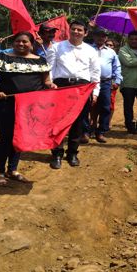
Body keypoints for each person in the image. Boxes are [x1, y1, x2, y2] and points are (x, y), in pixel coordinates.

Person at [0, 31, 56, 186]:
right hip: (6, 104)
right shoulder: (2, 58)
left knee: (20, 136)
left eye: (25, 42)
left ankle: (13, 169)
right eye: (18, 41)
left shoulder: (40, 61)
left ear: (31, 44)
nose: (21, 44)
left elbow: (47, 81)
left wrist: (52, 85)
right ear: (13, 42)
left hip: (30, 107)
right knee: (6, 137)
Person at [46, 20, 100, 169]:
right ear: (69, 30)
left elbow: (95, 73)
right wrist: (50, 84)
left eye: (80, 30)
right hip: (61, 87)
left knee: (78, 123)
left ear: (85, 33)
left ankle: (72, 153)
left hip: (83, 89)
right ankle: (56, 154)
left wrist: (95, 92)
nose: (76, 32)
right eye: (74, 29)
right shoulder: (57, 47)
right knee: (58, 123)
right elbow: (48, 68)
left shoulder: (91, 51)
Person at [91, 27, 122, 143]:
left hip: (105, 82)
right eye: (98, 35)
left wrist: (117, 80)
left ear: (106, 38)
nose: (101, 37)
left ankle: (101, 132)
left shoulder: (111, 52)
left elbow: (117, 67)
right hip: (90, 82)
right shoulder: (87, 49)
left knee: (105, 107)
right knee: (88, 107)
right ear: (94, 36)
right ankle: (86, 131)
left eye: (103, 36)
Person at [105, 39, 119, 128]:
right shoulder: (99, 54)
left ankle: (108, 121)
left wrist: (116, 82)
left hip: (111, 82)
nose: (109, 46)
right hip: (100, 82)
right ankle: (93, 122)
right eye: (107, 44)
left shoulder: (116, 57)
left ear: (114, 47)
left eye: (111, 45)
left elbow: (118, 70)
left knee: (111, 103)